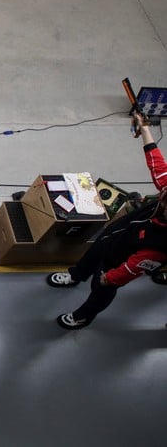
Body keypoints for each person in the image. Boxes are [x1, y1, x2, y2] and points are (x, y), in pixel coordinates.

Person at [46, 113, 167, 329]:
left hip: (119, 259)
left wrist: (111, 278)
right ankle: (75, 276)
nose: (161, 194)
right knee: (94, 252)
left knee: (101, 291)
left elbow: (133, 268)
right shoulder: (164, 198)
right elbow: (157, 166)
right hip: (118, 234)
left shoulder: (161, 245)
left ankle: (83, 316)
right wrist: (145, 129)